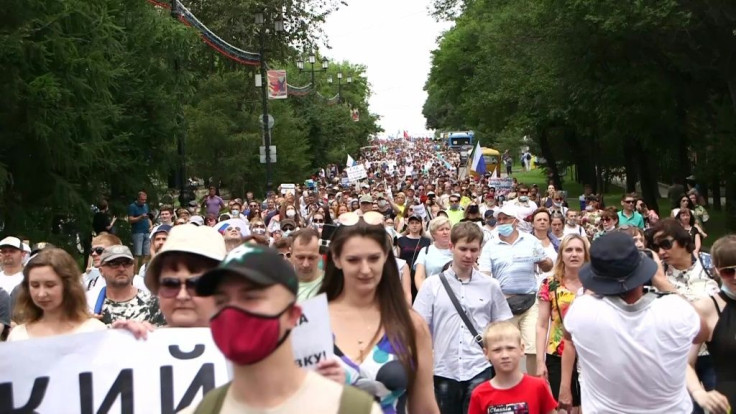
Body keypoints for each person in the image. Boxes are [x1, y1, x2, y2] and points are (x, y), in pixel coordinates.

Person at [181, 244, 382, 414]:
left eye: (250, 297)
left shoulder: (351, 408)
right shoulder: (199, 411)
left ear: (292, 315)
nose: (232, 311)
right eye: (221, 300)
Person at [562, 232, 708, 413]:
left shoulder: (582, 311)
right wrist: (662, 282)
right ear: (643, 271)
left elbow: (568, 334)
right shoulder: (674, 309)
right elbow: (703, 330)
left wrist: (597, 282)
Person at [320, 211, 439, 414]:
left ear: (386, 256)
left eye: (373, 258)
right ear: (337, 260)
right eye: (353, 260)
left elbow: (425, 406)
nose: (365, 269)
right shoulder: (309, 321)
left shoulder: (411, 324)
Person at [413, 222, 513, 414]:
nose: (468, 255)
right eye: (463, 249)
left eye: (473, 250)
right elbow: (419, 328)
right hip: (443, 368)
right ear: (451, 247)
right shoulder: (431, 285)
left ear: (480, 250)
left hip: (479, 366)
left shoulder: (491, 285)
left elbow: (501, 328)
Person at [478, 203, 553, 376]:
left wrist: (543, 261)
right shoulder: (491, 245)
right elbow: (485, 275)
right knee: (506, 348)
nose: (502, 222)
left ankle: (535, 384)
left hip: (529, 301)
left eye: (506, 218)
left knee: (534, 347)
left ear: (515, 221)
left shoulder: (531, 241)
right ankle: (509, 384)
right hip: (504, 304)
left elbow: (547, 265)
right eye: (499, 219)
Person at [535, 234, 589, 411]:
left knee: (587, 406)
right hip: (557, 353)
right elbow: (542, 325)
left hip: (588, 354)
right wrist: (539, 361)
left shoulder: (595, 285)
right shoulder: (550, 284)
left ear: (585, 255)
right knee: (567, 406)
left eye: (579, 250)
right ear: (562, 254)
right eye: (569, 250)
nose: (574, 254)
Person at [9, 248, 106, 341]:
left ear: (68, 285)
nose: (41, 294)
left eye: (50, 285)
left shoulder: (94, 330)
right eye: (35, 285)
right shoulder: (18, 335)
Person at [686, 235, 736, 414]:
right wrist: (699, 393)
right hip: (728, 402)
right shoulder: (706, 308)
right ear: (716, 270)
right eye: (728, 271)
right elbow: (685, 362)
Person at [468, 322, 557, 414]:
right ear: (486, 353)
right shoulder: (479, 394)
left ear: (521, 349)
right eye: (497, 350)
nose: (505, 355)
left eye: (510, 348)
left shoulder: (538, 387)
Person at [90, 245, 166, 326]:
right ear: (101, 271)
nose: (121, 269)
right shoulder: (90, 303)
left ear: (133, 267)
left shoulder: (153, 302)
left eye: (127, 263)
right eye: (114, 264)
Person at [414, 216, 453, 291]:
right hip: (432, 293)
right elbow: (420, 277)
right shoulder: (426, 251)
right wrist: (425, 294)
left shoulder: (459, 249)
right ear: (433, 234)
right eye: (441, 230)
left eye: (447, 229)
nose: (445, 232)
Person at [289, 228, 324, 301]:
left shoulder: (331, 284)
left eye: (311, 258)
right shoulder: (279, 285)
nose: (305, 264)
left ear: (320, 256)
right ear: (291, 254)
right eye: (300, 258)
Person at [127, 191, 152, 269]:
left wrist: (151, 225)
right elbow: (130, 219)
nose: (144, 201)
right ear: (138, 198)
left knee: (147, 254)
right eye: (142, 200)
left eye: (145, 200)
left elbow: (148, 218)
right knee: (137, 254)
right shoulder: (132, 206)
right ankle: (135, 273)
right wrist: (140, 217)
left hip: (146, 231)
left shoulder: (146, 206)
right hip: (137, 232)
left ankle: (143, 270)